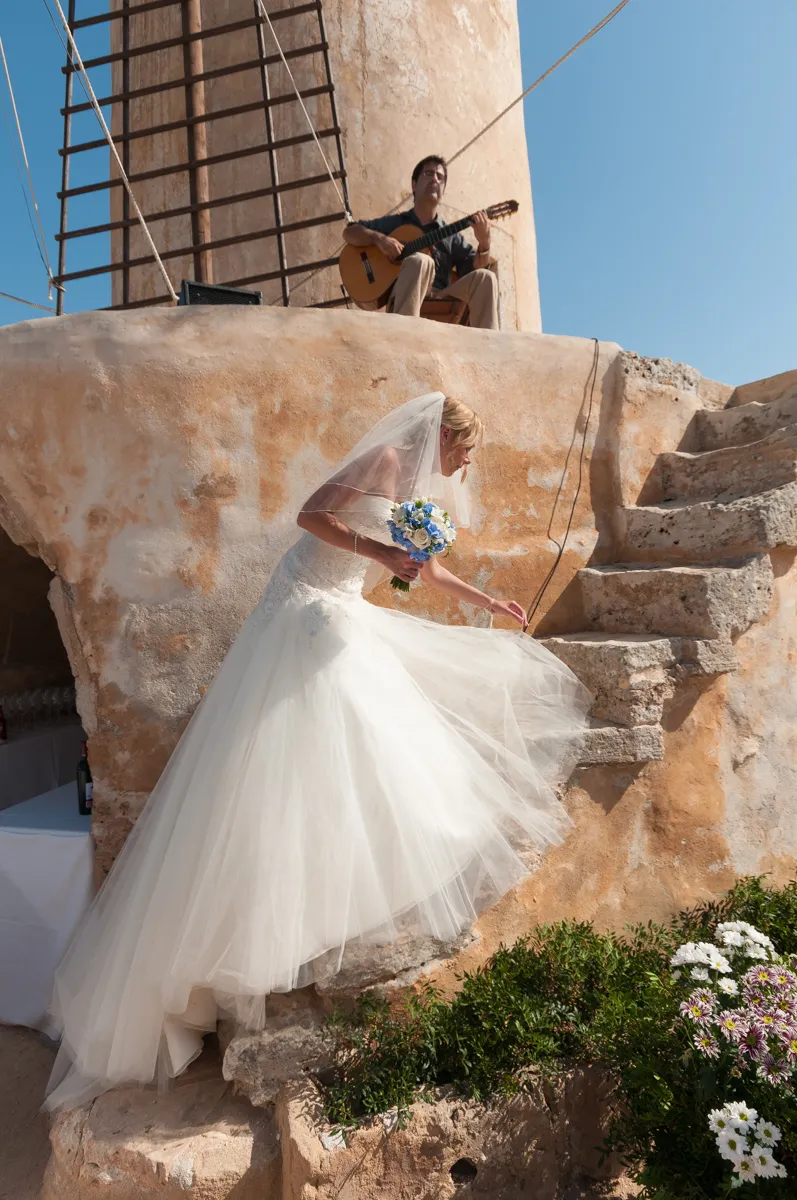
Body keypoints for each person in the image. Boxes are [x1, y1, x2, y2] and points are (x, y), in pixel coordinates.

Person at [43, 393, 590, 1112]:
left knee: (359, 733)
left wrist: (486, 602)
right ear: (445, 435)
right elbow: (310, 516)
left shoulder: (418, 490)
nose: (466, 463)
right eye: (466, 449)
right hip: (304, 609)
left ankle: (347, 879)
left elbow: (417, 567)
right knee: (316, 735)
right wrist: (377, 551)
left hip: (340, 610)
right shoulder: (390, 457)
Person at [343, 155, 499, 328]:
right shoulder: (397, 223)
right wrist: (379, 239)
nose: (435, 179)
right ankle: (405, 336)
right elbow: (350, 232)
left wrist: (484, 244)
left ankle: (489, 346)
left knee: (487, 277)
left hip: (441, 296)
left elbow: (476, 267)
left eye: (440, 177)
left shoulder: (450, 235)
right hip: (405, 296)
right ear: (414, 185)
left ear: (443, 191)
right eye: (429, 173)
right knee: (421, 260)